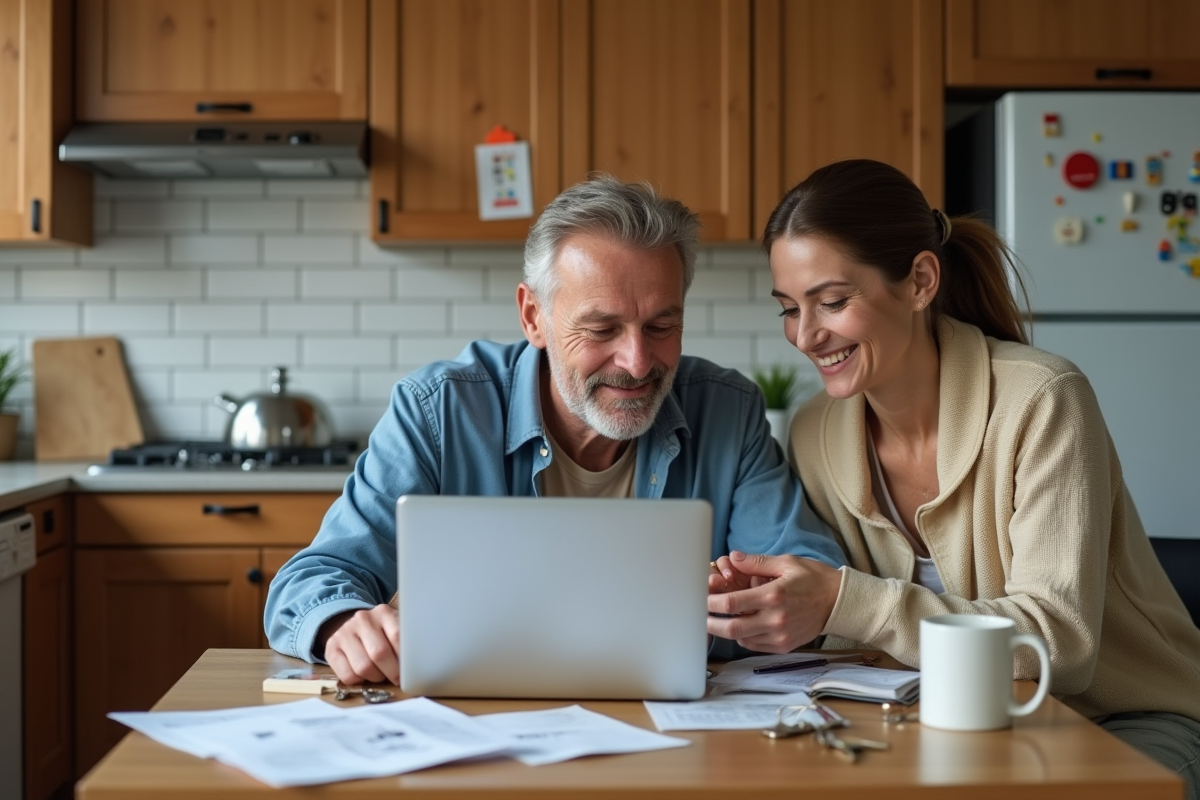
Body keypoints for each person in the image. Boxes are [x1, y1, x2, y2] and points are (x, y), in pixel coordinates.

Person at [705, 158, 1200, 796]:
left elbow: (1059, 647)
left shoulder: (1043, 399)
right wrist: (776, 600)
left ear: (919, 280)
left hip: (1118, 717)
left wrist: (840, 598)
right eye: (787, 309)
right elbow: (860, 629)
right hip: (951, 724)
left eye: (831, 302)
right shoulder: (813, 430)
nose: (805, 335)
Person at [265, 174, 845, 686]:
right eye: (601, 329)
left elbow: (807, 577)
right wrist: (344, 624)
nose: (638, 362)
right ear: (533, 317)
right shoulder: (438, 410)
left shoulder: (728, 409)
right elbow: (310, 581)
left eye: (662, 325)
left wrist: (777, 604)